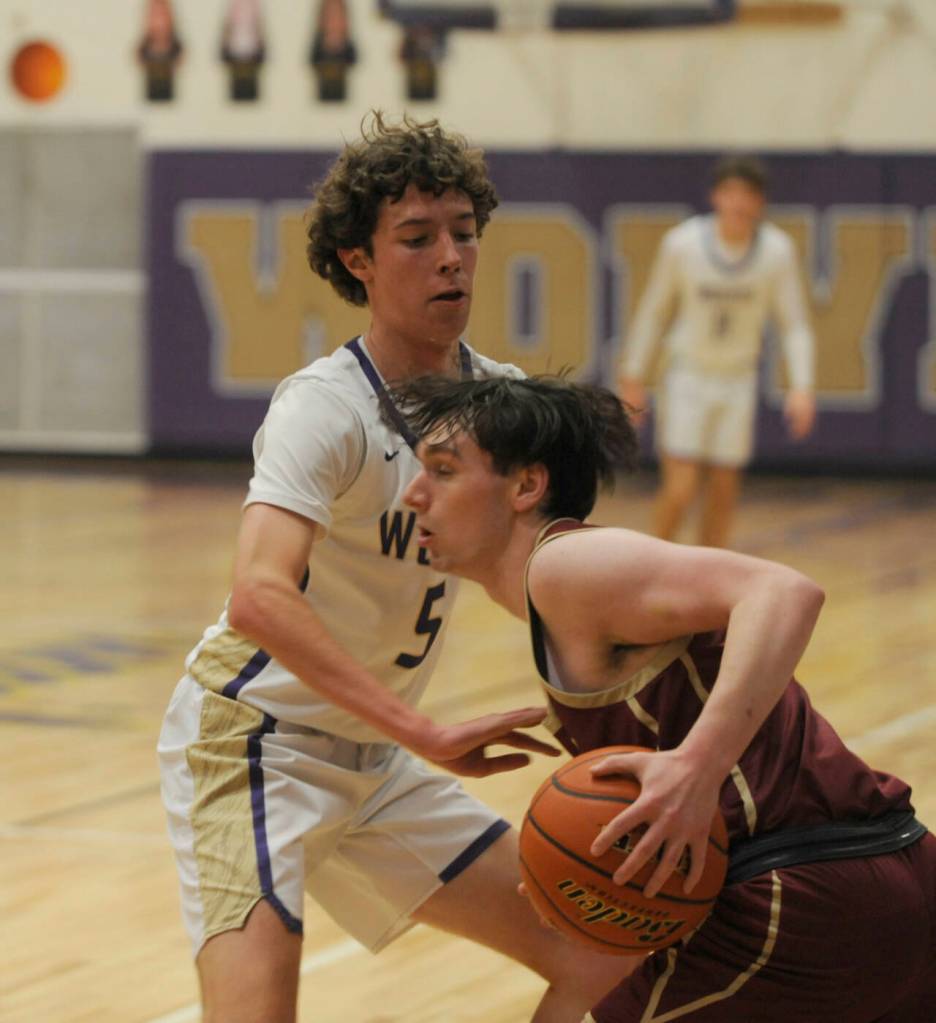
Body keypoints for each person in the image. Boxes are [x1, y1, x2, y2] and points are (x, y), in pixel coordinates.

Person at [157, 116, 625, 1023]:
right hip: (254, 745)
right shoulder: (322, 409)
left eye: (464, 232)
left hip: (375, 760)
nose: (450, 256)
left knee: (603, 959)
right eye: (417, 238)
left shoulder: (498, 400)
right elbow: (258, 595)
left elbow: (559, 571)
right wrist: (422, 727)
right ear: (357, 259)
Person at [391, 373, 936, 1021]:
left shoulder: (565, 568)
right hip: (886, 870)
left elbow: (783, 591)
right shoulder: (562, 597)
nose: (413, 493)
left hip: (797, 897)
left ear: (526, 486)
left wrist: (697, 766)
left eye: (444, 470)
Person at [618, 155, 817, 548]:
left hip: (738, 378)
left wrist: (802, 386)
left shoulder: (777, 251)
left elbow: (794, 324)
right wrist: (633, 375)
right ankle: (653, 570)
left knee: (724, 492)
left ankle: (707, 586)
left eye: (748, 196)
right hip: (688, 375)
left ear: (760, 203)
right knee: (680, 489)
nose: (739, 205)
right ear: (716, 197)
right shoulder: (683, 244)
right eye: (731, 194)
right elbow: (655, 312)